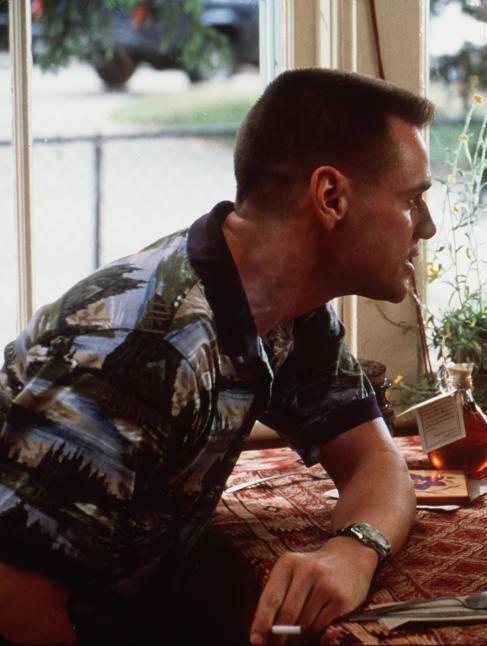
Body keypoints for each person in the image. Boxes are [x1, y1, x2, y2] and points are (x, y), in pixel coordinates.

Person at [0, 68, 436, 644]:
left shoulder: (288, 307)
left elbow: (376, 463)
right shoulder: (142, 349)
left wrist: (351, 552)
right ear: (331, 197)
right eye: (412, 200)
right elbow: (16, 603)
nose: (427, 226)